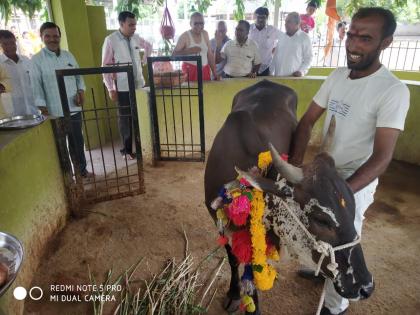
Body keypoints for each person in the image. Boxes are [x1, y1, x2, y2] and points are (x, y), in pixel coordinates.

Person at [289, 8, 410, 315]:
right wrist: (296, 171)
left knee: (342, 242)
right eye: (352, 34)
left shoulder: (393, 90)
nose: (353, 44)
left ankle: (335, 305)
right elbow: (305, 124)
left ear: (386, 43)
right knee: (316, 230)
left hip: (355, 183)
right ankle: (319, 270)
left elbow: (383, 157)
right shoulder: (337, 76)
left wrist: (342, 193)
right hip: (322, 177)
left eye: (365, 38)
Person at [31, 22, 91, 178]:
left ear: (60, 37)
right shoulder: (37, 60)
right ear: (42, 37)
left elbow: (79, 76)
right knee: (60, 148)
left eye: (56, 36)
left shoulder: (68, 55)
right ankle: (67, 177)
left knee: (77, 143)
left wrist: (81, 91)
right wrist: (43, 109)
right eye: (48, 36)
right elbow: (36, 87)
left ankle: (82, 171)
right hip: (54, 112)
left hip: (74, 108)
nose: (52, 39)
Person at [102, 11, 152, 160]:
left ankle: (143, 146)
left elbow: (148, 46)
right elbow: (105, 66)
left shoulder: (136, 38)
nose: (134, 27)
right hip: (122, 86)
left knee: (139, 114)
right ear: (121, 24)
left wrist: (143, 61)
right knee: (125, 118)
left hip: (139, 84)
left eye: (135, 24)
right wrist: (111, 88)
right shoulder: (111, 40)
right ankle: (127, 150)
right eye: (131, 25)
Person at [0, 30, 37, 116]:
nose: (10, 46)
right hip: (11, 114)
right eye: (5, 44)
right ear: (0, 45)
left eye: (12, 43)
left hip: (33, 110)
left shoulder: (26, 60)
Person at [173, 12, 218, 81]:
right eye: (196, 23)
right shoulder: (185, 36)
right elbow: (173, 55)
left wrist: (215, 74)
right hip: (189, 71)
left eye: (201, 23)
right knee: (191, 91)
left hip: (205, 70)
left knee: (207, 91)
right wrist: (188, 51)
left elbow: (210, 55)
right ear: (190, 23)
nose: (199, 26)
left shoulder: (205, 34)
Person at [270, 12, 313, 77]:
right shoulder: (282, 37)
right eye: (285, 22)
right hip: (278, 78)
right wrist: (270, 72)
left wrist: (301, 71)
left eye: (289, 22)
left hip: (294, 79)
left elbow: (309, 58)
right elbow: (275, 56)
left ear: (297, 23)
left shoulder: (304, 38)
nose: (285, 24)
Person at [249, 7, 280, 76]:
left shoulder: (273, 30)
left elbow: (285, 38)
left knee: (265, 86)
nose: (260, 20)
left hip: (266, 68)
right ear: (254, 17)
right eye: (258, 17)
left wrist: (276, 49)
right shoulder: (248, 29)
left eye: (263, 17)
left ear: (267, 18)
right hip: (249, 67)